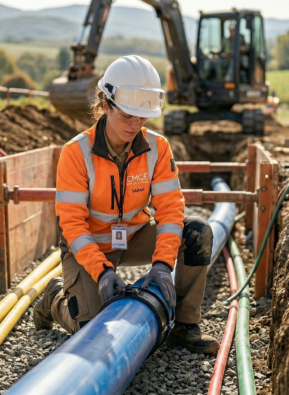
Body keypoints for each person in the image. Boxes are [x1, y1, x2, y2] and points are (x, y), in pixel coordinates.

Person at [33, 55, 220, 354]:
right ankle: (56, 297)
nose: (135, 125)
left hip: (133, 236)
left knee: (197, 231)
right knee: (91, 329)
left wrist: (161, 266)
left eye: (142, 117)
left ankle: (184, 326)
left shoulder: (157, 148)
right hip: (88, 245)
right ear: (105, 104)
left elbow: (171, 209)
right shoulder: (75, 153)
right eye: (127, 116)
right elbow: (71, 224)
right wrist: (102, 271)